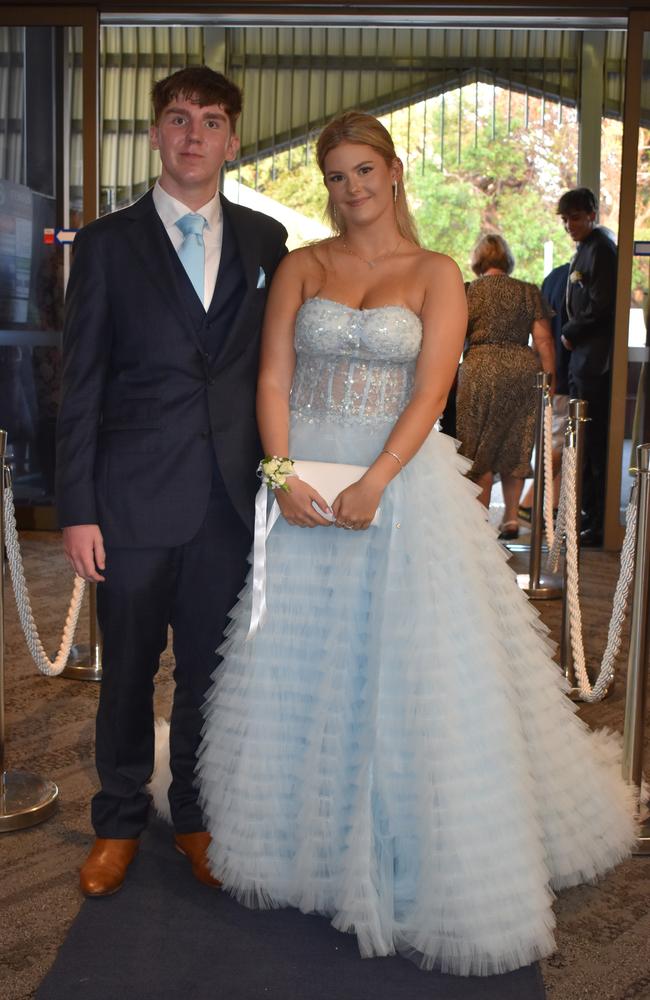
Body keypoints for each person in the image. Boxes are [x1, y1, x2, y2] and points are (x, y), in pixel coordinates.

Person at [196, 111, 635, 978]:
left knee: (414, 670)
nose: (350, 189)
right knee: (302, 666)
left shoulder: (438, 272)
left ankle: (415, 851)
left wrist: (377, 479)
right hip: (306, 481)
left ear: (394, 173)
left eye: (364, 171)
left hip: (399, 486)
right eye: (335, 176)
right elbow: (274, 372)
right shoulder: (300, 265)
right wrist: (282, 473)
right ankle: (299, 848)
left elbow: (434, 387)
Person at [56, 66, 288, 896]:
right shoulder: (107, 243)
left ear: (232, 139)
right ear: (156, 133)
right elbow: (79, 382)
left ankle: (192, 814)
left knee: (207, 672)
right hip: (128, 503)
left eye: (212, 121)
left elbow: (276, 370)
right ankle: (117, 821)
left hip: (229, 501)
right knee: (124, 672)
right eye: (180, 119)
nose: (195, 135)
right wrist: (76, 508)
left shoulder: (266, 243)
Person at [455, 234, 556, 540]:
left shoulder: (467, 292)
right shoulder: (528, 291)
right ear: (507, 260)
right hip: (521, 371)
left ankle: (479, 522)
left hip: (479, 369)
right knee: (516, 445)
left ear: (478, 261)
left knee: (478, 447)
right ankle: (511, 519)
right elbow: (543, 339)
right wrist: (549, 378)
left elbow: (456, 339)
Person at [558, 187, 617, 547]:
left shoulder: (602, 250)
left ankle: (599, 521)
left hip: (596, 363)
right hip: (584, 361)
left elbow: (601, 304)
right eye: (565, 220)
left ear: (592, 214)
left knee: (595, 446)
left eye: (575, 218)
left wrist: (570, 331)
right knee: (585, 444)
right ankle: (589, 516)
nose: (569, 225)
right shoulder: (587, 250)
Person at [519, 262, 572, 522]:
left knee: (556, 439)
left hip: (555, 372)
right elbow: (544, 337)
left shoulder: (552, 278)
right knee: (559, 441)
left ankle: (543, 504)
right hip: (563, 371)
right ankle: (531, 501)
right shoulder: (560, 279)